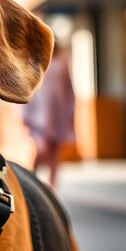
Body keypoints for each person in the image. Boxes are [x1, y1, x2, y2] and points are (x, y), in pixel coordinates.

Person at [22, 42, 75, 189]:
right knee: (42, 149)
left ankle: (52, 186)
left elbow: (69, 87)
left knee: (55, 151)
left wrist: (71, 112)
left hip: (58, 111)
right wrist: (25, 113)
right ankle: (31, 180)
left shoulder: (63, 59)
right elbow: (28, 87)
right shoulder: (35, 61)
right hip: (39, 112)